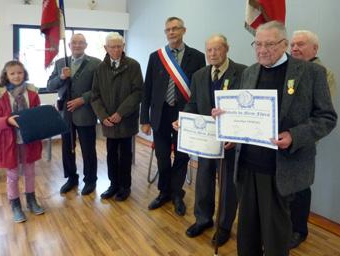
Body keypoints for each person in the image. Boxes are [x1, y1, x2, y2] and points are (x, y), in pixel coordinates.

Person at [212, 21, 337, 256]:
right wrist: (227, 121)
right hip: (247, 169)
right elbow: (245, 113)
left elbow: (327, 118)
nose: (262, 50)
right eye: (257, 44)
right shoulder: (249, 72)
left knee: (275, 239)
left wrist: (294, 135)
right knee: (247, 235)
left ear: (284, 44)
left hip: (281, 170)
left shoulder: (311, 73)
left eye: (269, 44)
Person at [173, 34, 246, 246]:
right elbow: (193, 104)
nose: (212, 54)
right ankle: (203, 219)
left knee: (227, 187)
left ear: (226, 49)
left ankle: (223, 226)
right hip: (205, 141)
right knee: (203, 180)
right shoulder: (199, 75)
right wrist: (183, 121)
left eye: (217, 49)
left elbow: (244, 109)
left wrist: (235, 133)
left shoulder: (242, 72)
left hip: (229, 143)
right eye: (209, 50)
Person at [140, 17, 206, 216]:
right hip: (160, 114)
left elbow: (198, 90)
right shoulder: (156, 56)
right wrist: (144, 119)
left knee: (181, 156)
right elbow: (147, 89)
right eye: (168, 29)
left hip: (184, 114)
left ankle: (178, 193)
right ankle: (164, 192)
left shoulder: (197, 56)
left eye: (175, 28)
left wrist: (193, 116)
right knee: (161, 155)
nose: (171, 32)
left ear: (183, 31)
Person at [289, 29, 337, 249]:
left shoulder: (323, 73)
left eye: (301, 44)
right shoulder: (287, 69)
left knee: (300, 187)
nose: (295, 48)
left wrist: (298, 135)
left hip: (304, 140)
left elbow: (323, 114)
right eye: (292, 45)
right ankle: (283, 225)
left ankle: (299, 230)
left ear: (315, 49)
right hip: (281, 139)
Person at [0, 60, 45, 223]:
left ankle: (31, 200)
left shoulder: (32, 94)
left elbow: (37, 115)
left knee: (30, 172)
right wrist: (8, 121)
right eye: (12, 73)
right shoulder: (0, 95)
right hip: (9, 141)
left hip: (29, 140)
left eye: (19, 72)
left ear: (24, 73)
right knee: (12, 175)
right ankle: (15, 205)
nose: (16, 76)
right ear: (6, 76)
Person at [91, 32, 143, 201]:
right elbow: (95, 95)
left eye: (119, 46)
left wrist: (121, 113)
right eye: (112, 46)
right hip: (108, 122)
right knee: (111, 154)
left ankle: (125, 187)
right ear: (106, 48)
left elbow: (137, 93)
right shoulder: (100, 68)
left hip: (126, 120)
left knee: (125, 155)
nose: (115, 50)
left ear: (123, 47)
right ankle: (113, 185)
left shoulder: (133, 66)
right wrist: (102, 116)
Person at [47, 33, 101, 195]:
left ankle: (90, 180)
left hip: (85, 112)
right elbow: (50, 86)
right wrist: (62, 76)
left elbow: (99, 89)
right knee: (67, 148)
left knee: (88, 149)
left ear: (86, 45)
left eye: (80, 43)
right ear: (69, 46)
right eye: (74, 43)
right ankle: (71, 178)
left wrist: (82, 100)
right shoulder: (60, 63)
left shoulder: (96, 64)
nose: (77, 45)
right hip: (66, 114)